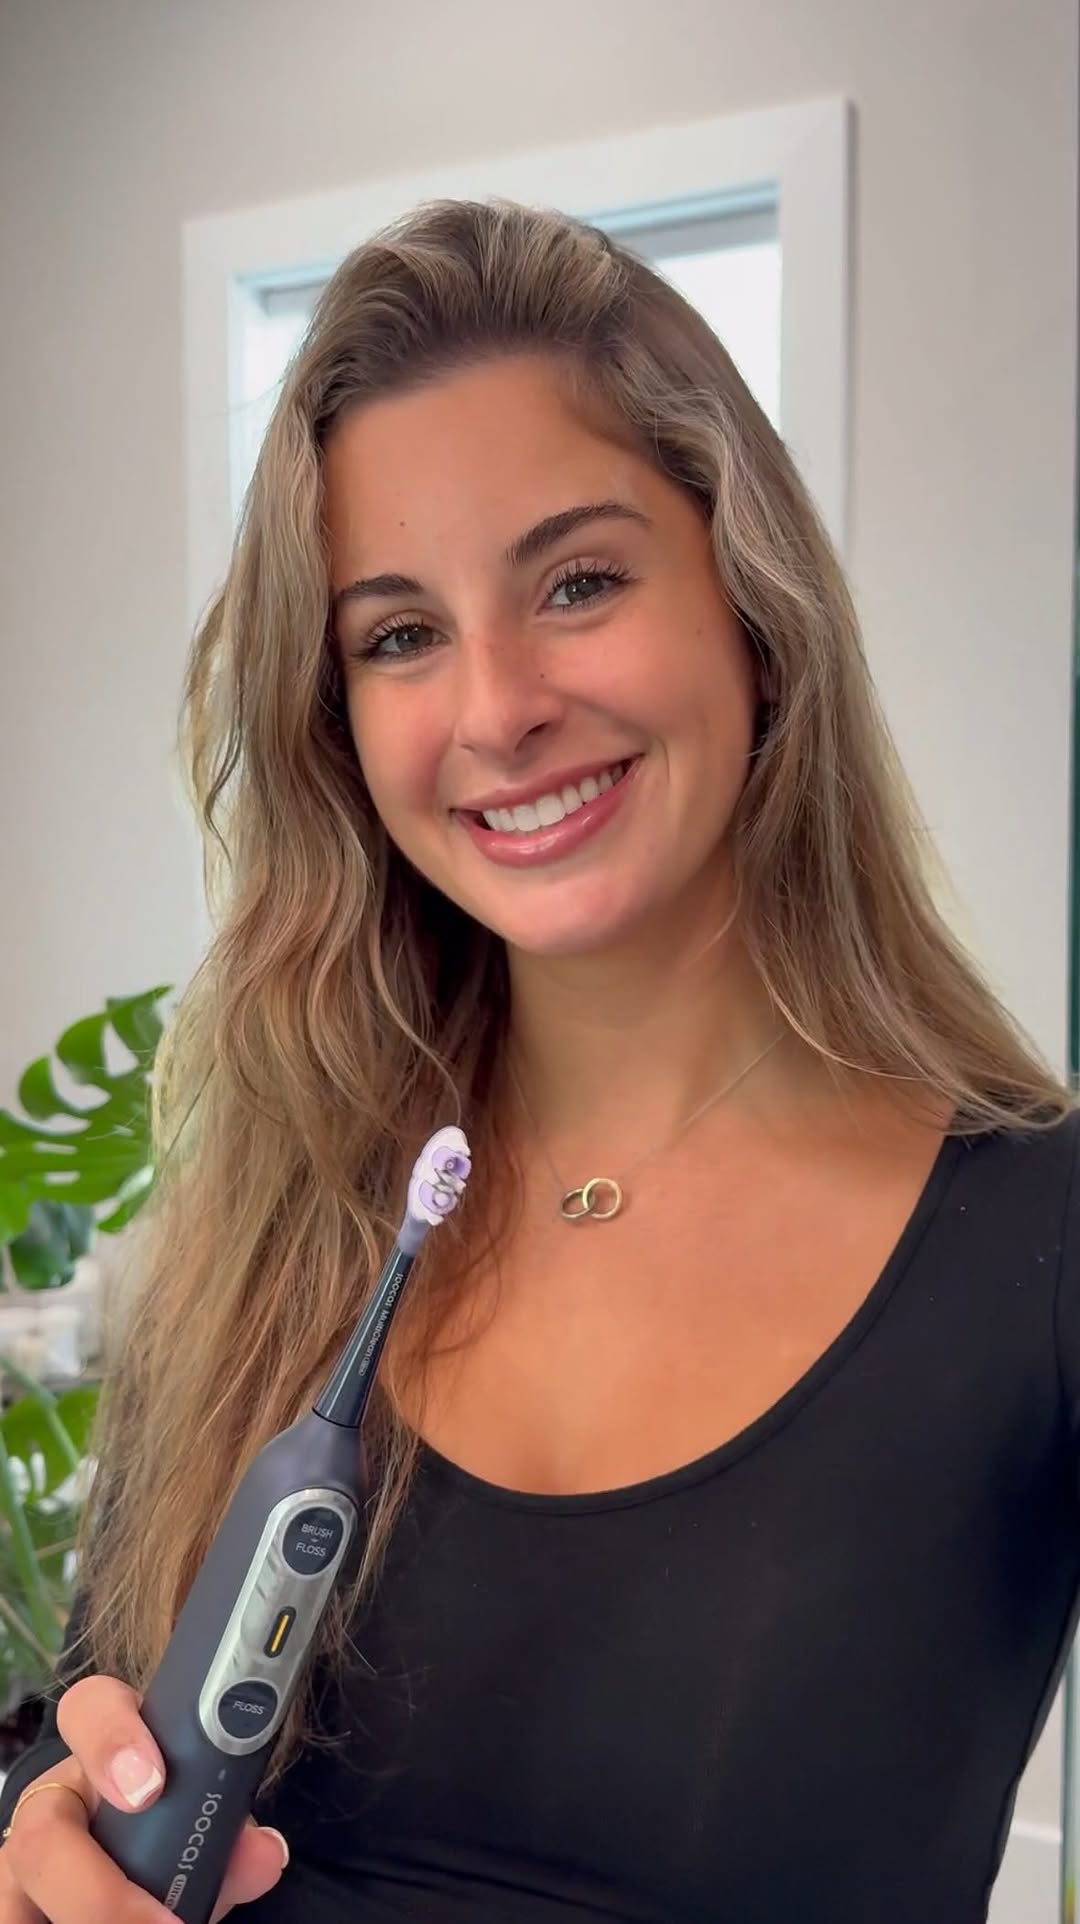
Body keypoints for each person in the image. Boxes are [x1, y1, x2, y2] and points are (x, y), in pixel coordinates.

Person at [0, 195, 1076, 1924]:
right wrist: (47, 1831)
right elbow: (73, 1736)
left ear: (751, 600)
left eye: (577, 580)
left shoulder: (1037, 1247)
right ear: (336, 720)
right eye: (400, 634)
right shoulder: (264, 1227)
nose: (496, 708)